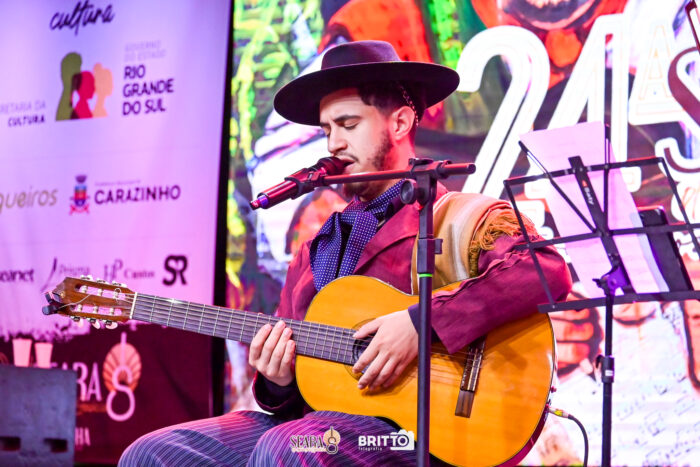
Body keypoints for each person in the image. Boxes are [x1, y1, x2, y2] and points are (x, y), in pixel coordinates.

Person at [119, 40, 572, 466]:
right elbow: (293, 397)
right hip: (320, 428)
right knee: (153, 454)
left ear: (399, 123)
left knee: (288, 448)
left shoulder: (458, 216)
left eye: (349, 125)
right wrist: (277, 379)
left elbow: (546, 270)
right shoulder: (314, 251)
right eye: (327, 129)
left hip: (412, 433)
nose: (333, 143)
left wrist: (420, 323)